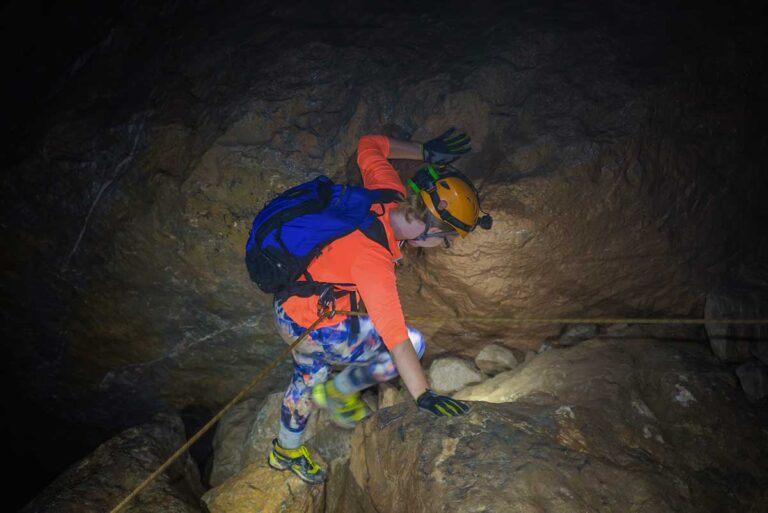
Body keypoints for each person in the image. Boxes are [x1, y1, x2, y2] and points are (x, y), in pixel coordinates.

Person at [267, 129, 484, 484]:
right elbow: (395, 335)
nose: (442, 246)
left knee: (307, 375)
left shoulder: (388, 192)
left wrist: (425, 151)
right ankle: (335, 394)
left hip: (291, 301)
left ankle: (285, 451)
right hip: (313, 325)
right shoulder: (373, 259)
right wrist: (423, 395)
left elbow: (368, 145)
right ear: (428, 230)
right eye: (446, 240)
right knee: (412, 343)